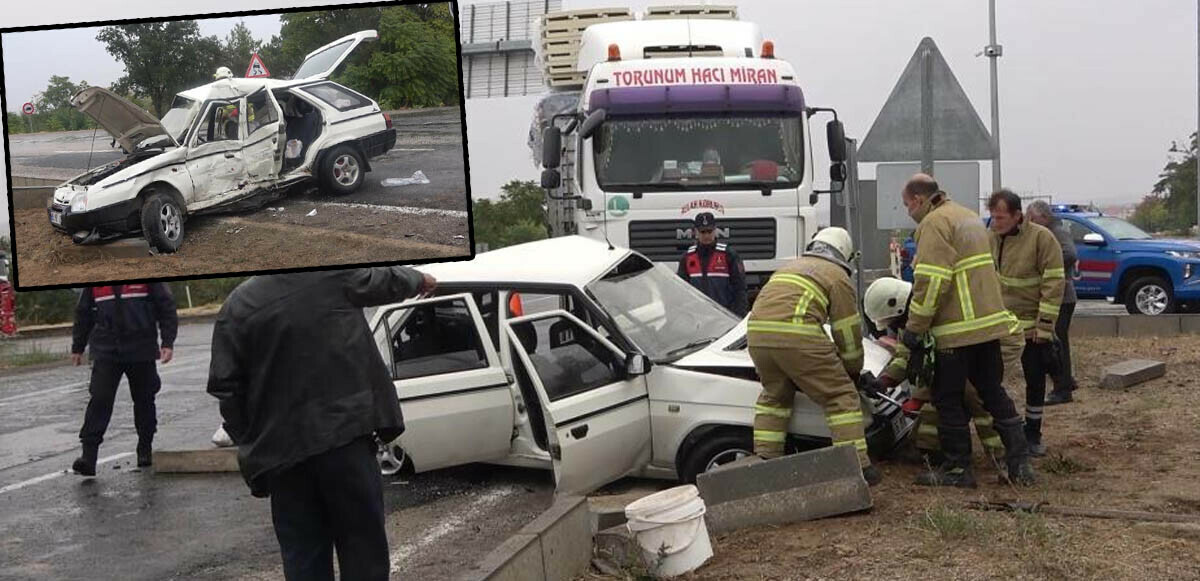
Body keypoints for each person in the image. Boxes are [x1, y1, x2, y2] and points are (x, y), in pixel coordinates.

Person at [207, 267, 436, 581]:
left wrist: (252, 437)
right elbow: (382, 280)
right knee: (364, 552)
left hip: (283, 458)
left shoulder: (237, 306)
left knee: (303, 558)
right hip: (346, 444)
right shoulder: (331, 275)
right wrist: (420, 279)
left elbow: (227, 389)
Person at [890, 174, 1035, 488]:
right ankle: (1020, 463)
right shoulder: (968, 217)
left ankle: (957, 470)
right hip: (988, 328)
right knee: (993, 393)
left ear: (918, 199)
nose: (908, 212)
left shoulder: (933, 224)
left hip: (956, 331)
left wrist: (915, 329)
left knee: (947, 398)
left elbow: (931, 281)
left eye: (906, 205)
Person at [747, 227, 881, 485]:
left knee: (775, 396)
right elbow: (847, 332)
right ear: (845, 254)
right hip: (796, 334)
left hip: (757, 335)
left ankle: (766, 458)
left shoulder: (789, 267)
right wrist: (852, 371)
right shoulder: (837, 276)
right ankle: (857, 467)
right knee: (840, 397)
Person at [862, 277, 1005, 466]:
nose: (893, 327)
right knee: (933, 410)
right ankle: (933, 453)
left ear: (899, 308)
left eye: (892, 322)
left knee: (976, 399)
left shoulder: (933, 316)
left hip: (976, 357)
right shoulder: (912, 321)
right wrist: (886, 380)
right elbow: (907, 356)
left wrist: (918, 398)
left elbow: (942, 364)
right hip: (954, 363)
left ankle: (1001, 456)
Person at [988, 190, 1065, 457]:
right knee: (993, 380)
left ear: (1017, 216)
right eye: (993, 217)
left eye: (1000, 217)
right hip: (1000, 327)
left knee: (1035, 380)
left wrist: (1044, 327)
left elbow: (1054, 283)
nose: (995, 223)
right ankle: (1006, 431)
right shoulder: (991, 237)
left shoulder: (1042, 239)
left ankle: (1033, 432)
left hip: (1032, 327)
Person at [70, 283, 178, 475]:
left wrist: (167, 341)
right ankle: (88, 457)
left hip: (141, 346)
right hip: (106, 349)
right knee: (100, 399)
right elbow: (83, 312)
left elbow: (166, 306)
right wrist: (77, 346)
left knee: (144, 399)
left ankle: (144, 449)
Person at [1027, 200, 1079, 405]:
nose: (1029, 222)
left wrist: (1043, 264)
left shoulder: (1055, 232)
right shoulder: (1050, 232)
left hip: (1062, 296)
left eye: (1032, 218)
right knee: (1058, 341)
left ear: (1043, 217)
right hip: (1060, 295)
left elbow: (1070, 254)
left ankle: (1063, 388)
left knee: (1057, 343)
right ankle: (1067, 380)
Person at [677, 212, 749, 316]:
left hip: (725, 316)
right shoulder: (687, 257)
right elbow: (682, 292)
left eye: (709, 231)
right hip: (698, 317)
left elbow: (740, 289)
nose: (706, 235)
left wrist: (738, 316)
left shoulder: (728, 254)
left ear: (715, 230)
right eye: (703, 232)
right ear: (696, 232)